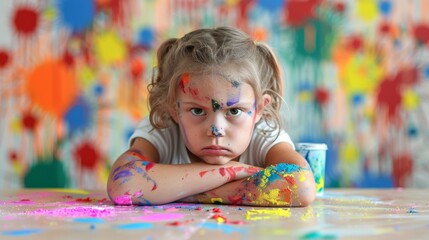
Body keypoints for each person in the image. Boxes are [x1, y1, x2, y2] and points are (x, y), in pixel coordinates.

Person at [107, 26, 316, 207]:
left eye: (234, 111)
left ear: (260, 109)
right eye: (197, 111)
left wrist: (186, 193)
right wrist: (233, 171)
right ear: (174, 109)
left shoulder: (264, 135)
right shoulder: (163, 129)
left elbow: (301, 187)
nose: (216, 130)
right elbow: (122, 184)